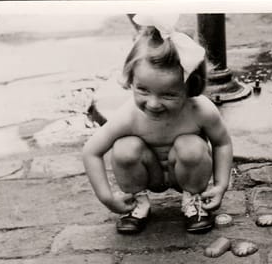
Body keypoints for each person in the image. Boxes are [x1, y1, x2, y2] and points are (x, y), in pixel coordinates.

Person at [82, 14, 233, 235]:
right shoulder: (129, 115)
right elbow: (91, 151)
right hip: (147, 173)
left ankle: (192, 201)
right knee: (124, 148)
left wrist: (221, 185)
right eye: (142, 90)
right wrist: (106, 197)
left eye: (169, 95)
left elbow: (222, 143)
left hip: (186, 174)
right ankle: (138, 204)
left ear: (190, 88)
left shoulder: (200, 110)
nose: (153, 104)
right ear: (131, 79)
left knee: (192, 146)